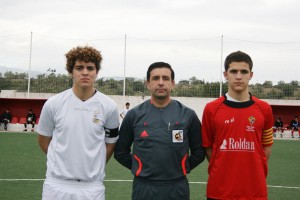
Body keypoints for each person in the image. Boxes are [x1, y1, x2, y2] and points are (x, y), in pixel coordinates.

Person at [37, 46, 119, 200]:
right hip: (56, 185)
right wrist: (63, 160)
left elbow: (110, 144)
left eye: (90, 68)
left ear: (97, 72)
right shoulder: (53, 104)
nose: (85, 72)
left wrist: (94, 165)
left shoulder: (109, 106)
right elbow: (43, 141)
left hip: (92, 187)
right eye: (79, 68)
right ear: (71, 72)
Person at [114, 62, 206, 200]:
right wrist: (140, 168)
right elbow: (120, 152)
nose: (161, 82)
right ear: (148, 83)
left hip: (177, 187)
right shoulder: (133, 115)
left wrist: (181, 168)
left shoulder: (188, 115)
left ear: (172, 83)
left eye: (165, 78)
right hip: (144, 188)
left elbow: (199, 153)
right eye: (156, 78)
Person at [201, 51, 274, 200]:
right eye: (233, 71)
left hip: (255, 191)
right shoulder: (211, 109)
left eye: (244, 71)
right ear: (225, 74)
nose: (239, 76)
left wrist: (254, 168)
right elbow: (208, 147)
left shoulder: (264, 108)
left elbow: (266, 146)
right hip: (220, 191)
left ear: (251, 75)